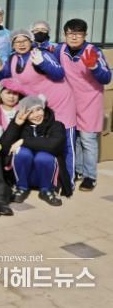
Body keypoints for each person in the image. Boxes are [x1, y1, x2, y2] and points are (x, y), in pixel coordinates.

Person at [0, 29, 76, 195]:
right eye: (17, 41)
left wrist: (43, 63)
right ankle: (44, 178)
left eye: (25, 40)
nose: (21, 44)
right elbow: (2, 80)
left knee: (66, 143)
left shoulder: (40, 53)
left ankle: (68, 182)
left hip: (60, 102)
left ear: (31, 41)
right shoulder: (13, 59)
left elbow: (59, 73)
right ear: (12, 45)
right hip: (38, 107)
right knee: (42, 141)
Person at [53, 19, 111, 191]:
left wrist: (94, 67)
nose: (74, 37)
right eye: (70, 33)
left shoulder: (93, 51)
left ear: (85, 35)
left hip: (90, 101)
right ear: (65, 34)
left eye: (78, 34)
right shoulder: (60, 49)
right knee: (74, 138)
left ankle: (90, 176)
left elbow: (106, 77)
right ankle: (77, 170)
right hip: (69, 102)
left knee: (87, 139)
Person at [0, 96, 67, 206]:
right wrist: (16, 124)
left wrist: (23, 141)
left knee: (43, 156)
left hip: (47, 174)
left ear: (44, 109)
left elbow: (53, 145)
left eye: (38, 109)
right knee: (22, 153)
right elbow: (4, 147)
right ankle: (21, 188)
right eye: (30, 112)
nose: (36, 115)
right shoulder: (21, 126)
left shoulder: (56, 125)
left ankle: (46, 190)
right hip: (24, 175)